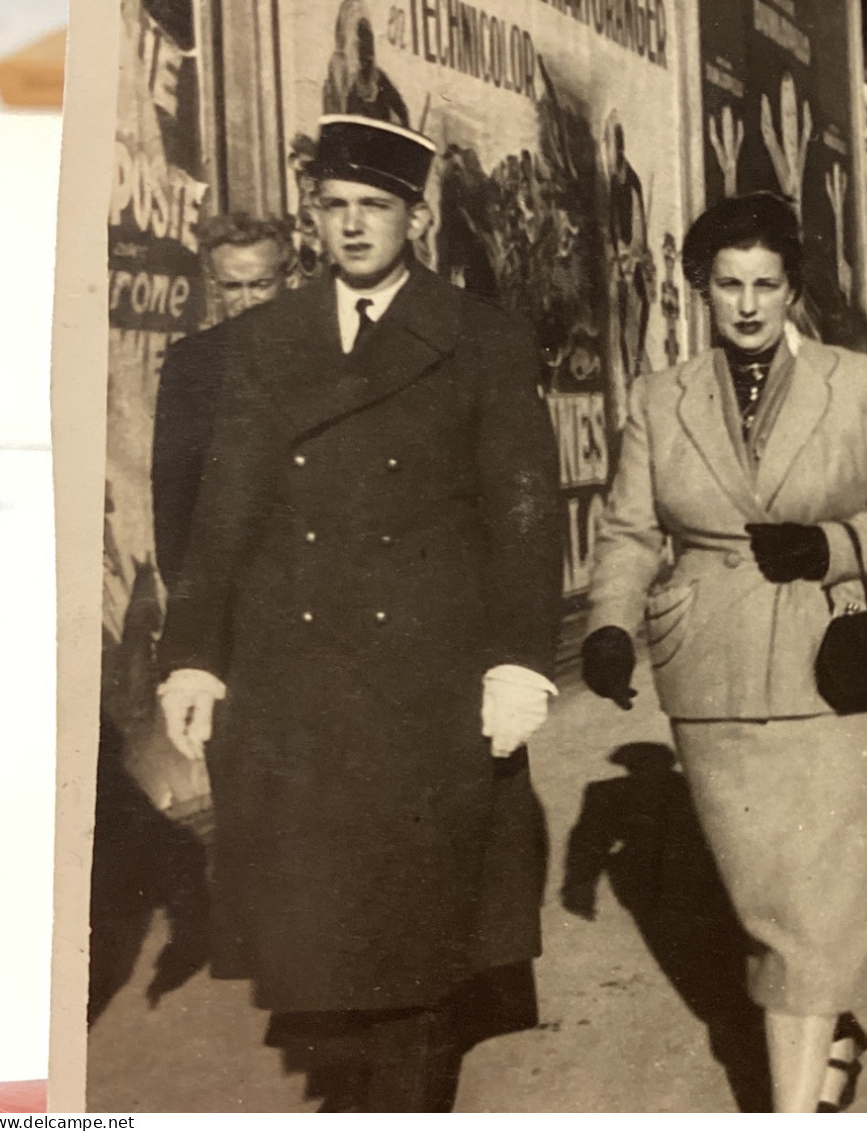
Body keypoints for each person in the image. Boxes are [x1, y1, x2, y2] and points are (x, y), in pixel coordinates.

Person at [154, 115, 562, 1112]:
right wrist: (195, 655)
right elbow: (220, 517)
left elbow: (523, 513)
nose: (350, 227)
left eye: (372, 207)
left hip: (428, 686)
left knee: (420, 954)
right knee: (323, 960)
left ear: (415, 217)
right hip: (294, 692)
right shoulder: (261, 344)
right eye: (333, 208)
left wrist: (517, 661)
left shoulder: (479, 339)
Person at [580, 191, 867, 1113]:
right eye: (727, 284)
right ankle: (829, 1029)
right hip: (717, 666)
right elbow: (626, 530)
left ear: (792, 290)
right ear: (701, 289)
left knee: (818, 904)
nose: (746, 304)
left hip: (833, 662)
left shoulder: (855, 382)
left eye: (765, 284)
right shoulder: (663, 398)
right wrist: (611, 625)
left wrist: (831, 546)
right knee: (770, 903)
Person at [151, 213, 294, 582]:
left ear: (289, 276)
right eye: (232, 287)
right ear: (214, 285)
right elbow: (173, 484)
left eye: (260, 284)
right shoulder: (191, 363)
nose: (247, 301)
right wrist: (179, 585)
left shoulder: (326, 353)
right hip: (229, 575)